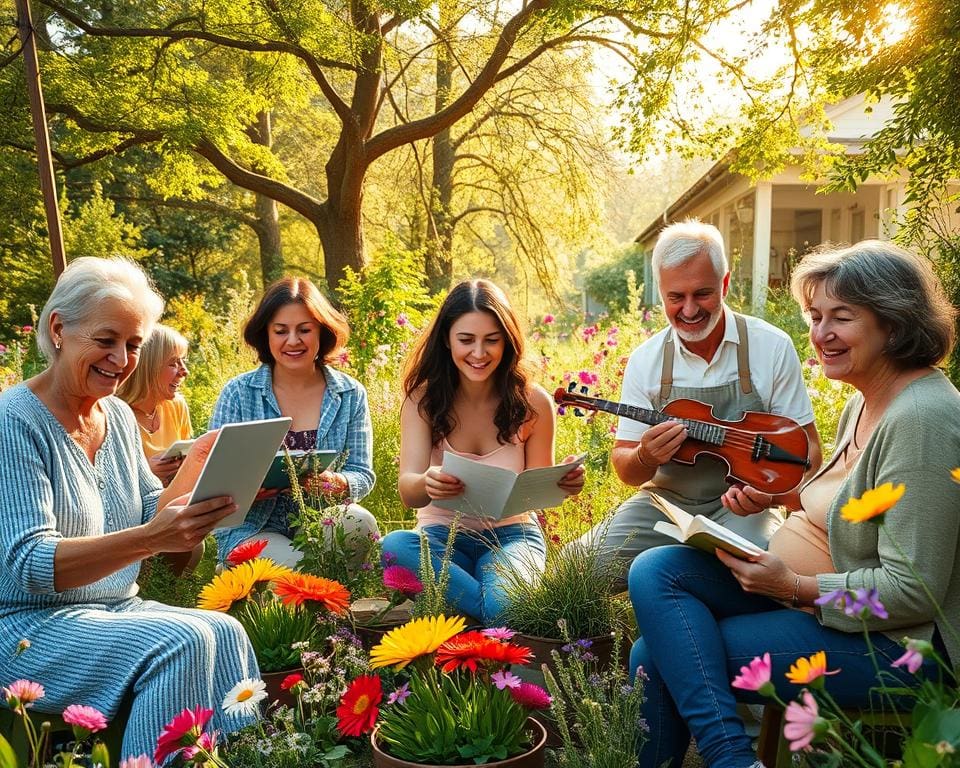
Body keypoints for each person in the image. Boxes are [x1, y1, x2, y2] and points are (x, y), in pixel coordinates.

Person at [628, 240, 960, 768]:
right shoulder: (864, 402)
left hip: (899, 646)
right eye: (816, 316)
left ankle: (730, 759)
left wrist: (795, 586)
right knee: (657, 569)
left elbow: (914, 593)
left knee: (654, 655)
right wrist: (768, 500)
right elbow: (835, 507)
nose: (821, 334)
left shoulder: (922, 420)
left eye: (842, 318)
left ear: (893, 325)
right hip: (814, 605)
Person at [0, 257, 258, 761]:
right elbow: (28, 564)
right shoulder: (13, 421)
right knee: (178, 642)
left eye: (134, 345)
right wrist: (152, 537)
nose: (121, 358)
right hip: (26, 627)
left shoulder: (116, 415)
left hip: (114, 610)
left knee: (224, 630)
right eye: (106, 340)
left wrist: (197, 485)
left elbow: (149, 517)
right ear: (58, 329)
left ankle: (245, 758)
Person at [574, 220, 822, 588]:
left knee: (766, 574)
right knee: (576, 569)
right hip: (665, 505)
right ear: (660, 292)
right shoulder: (647, 360)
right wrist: (645, 456)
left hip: (743, 508)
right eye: (676, 297)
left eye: (702, 294)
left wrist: (768, 493)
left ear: (724, 284)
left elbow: (810, 451)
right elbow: (626, 468)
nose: (689, 310)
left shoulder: (771, 346)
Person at [380, 279, 585, 624]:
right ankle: (498, 615)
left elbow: (534, 495)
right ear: (446, 339)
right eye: (466, 340)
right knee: (395, 545)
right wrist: (427, 482)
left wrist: (561, 484)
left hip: (512, 536)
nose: (479, 353)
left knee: (503, 600)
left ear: (508, 341)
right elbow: (408, 492)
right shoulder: (423, 400)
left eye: (492, 340)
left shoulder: (534, 402)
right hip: (441, 537)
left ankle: (489, 609)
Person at [210, 277, 378, 568]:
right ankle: (254, 580)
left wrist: (338, 483)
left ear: (321, 333)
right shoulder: (237, 393)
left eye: (304, 330)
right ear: (266, 335)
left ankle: (305, 593)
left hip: (319, 519)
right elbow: (213, 479)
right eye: (281, 331)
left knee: (360, 523)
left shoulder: (350, 394)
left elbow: (363, 475)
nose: (293, 341)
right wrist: (248, 488)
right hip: (253, 527)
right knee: (297, 572)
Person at [117, 324, 193, 486]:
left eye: (183, 362)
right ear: (148, 368)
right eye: (173, 363)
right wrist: (145, 474)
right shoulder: (112, 414)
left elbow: (190, 467)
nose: (185, 371)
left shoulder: (176, 406)